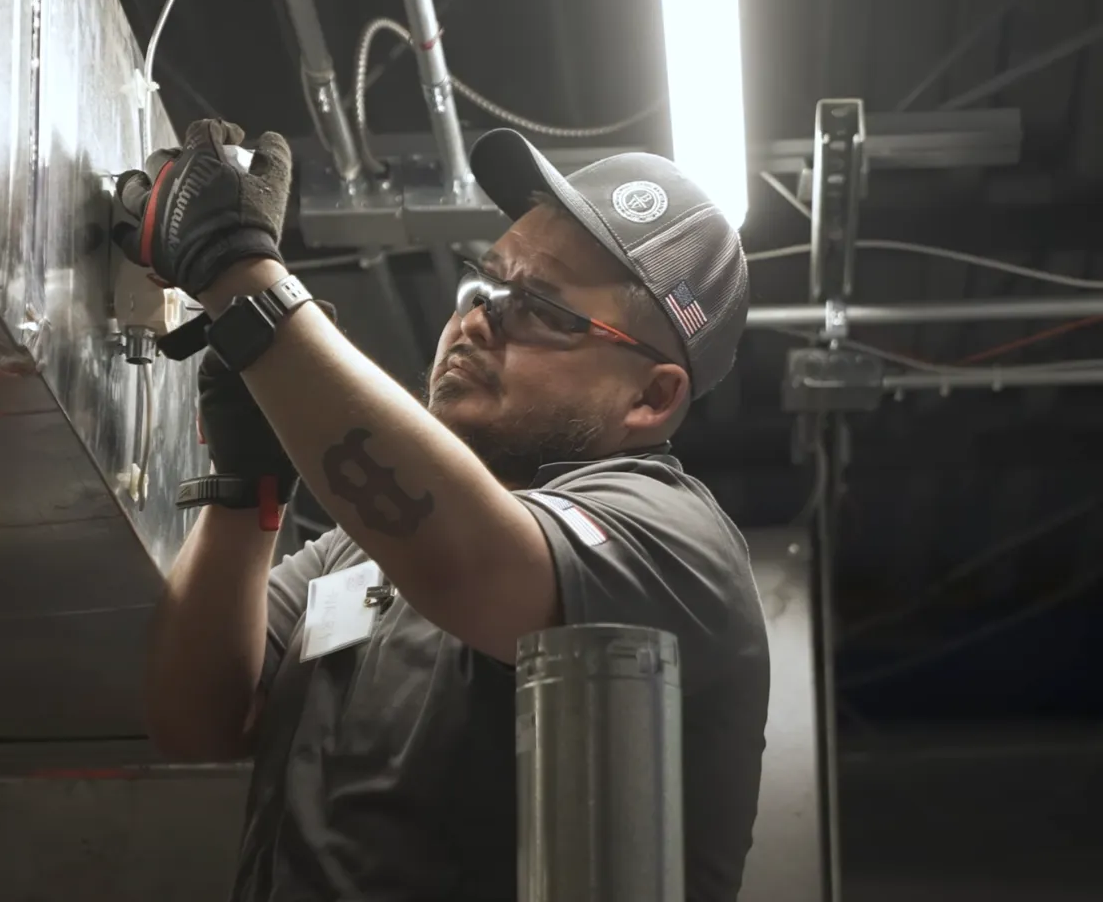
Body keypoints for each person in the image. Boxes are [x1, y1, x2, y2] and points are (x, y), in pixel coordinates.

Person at [115, 119, 770, 902]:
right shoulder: (352, 555)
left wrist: (242, 279)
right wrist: (243, 487)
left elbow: (470, 566)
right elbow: (194, 722)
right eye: (484, 281)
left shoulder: (671, 538)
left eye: (542, 308)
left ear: (651, 397)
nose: (479, 317)